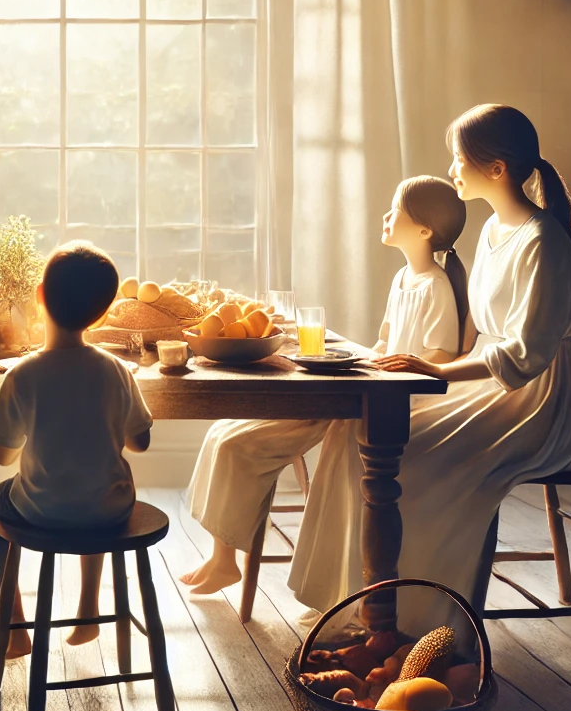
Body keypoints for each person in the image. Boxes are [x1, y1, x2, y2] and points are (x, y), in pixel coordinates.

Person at [286, 103, 571, 632]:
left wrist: (435, 373)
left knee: (407, 456)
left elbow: (526, 353)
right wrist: (419, 368)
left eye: (459, 158)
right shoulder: (496, 229)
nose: (452, 169)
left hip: (535, 397)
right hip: (487, 379)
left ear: (495, 168)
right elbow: (479, 331)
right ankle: (350, 599)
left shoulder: (543, 240)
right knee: (355, 432)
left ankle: (417, 620)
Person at [178, 175, 471, 594]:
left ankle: (226, 561)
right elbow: (383, 344)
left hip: (386, 403)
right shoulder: (403, 279)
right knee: (224, 429)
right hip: (363, 386)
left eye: (397, 211)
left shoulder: (436, 287)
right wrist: (346, 359)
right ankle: (220, 557)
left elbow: (438, 359)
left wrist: (384, 367)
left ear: (424, 230)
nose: (386, 216)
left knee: (236, 444)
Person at [0, 242, 154, 657]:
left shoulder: (22, 375)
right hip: (110, 508)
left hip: (44, 510)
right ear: (103, 313)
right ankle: (88, 609)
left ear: (39, 296)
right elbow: (141, 442)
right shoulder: (116, 370)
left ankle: (18, 629)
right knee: (94, 479)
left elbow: (2, 456)